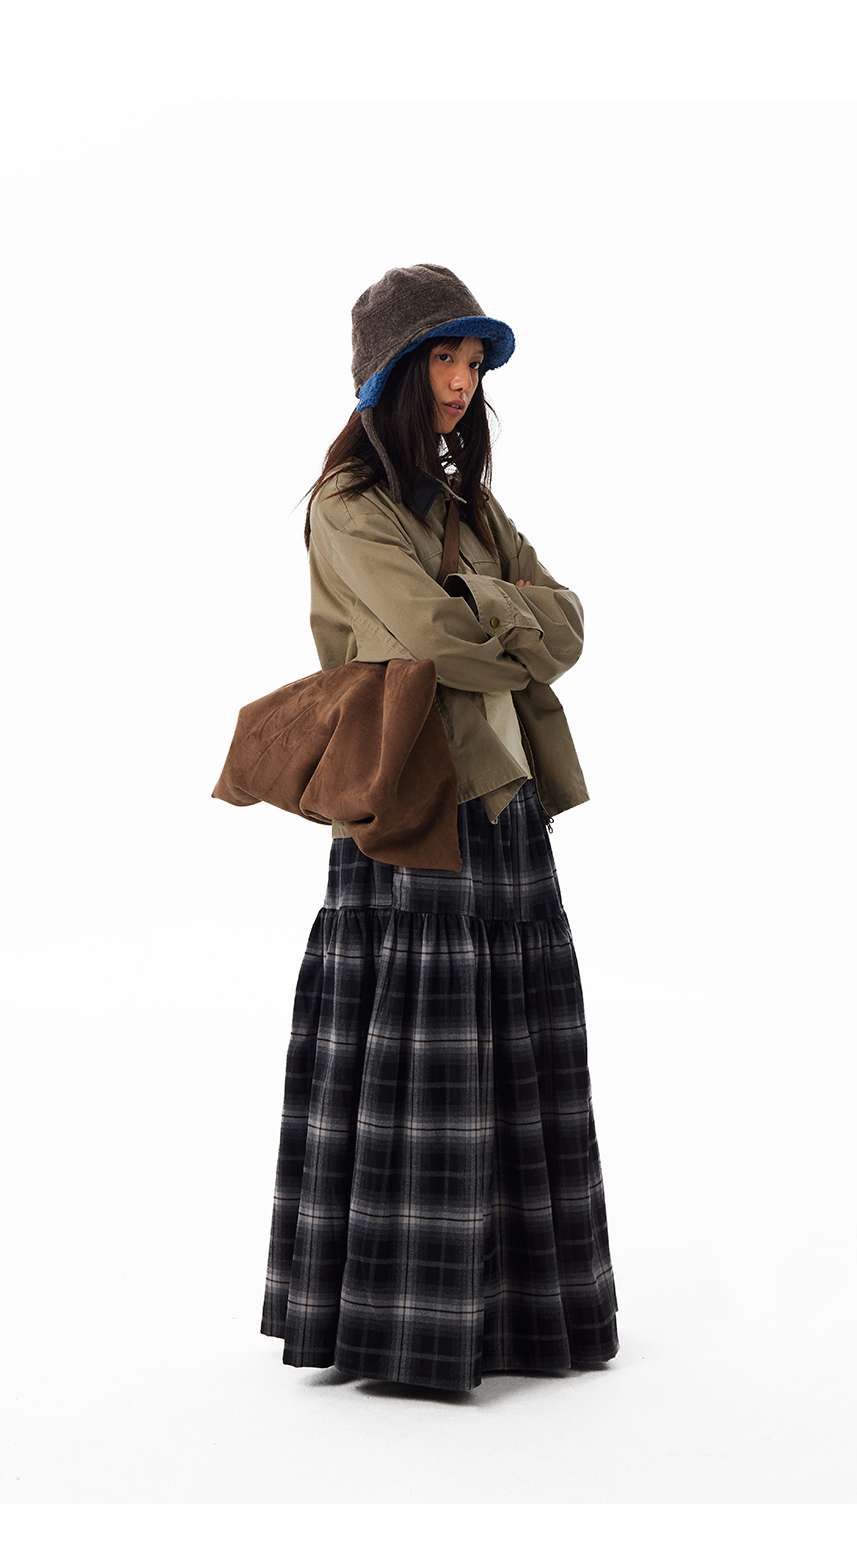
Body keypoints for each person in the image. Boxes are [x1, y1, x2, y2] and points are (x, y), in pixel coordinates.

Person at [259, 263, 619, 1392]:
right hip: (411, 799)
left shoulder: (469, 506)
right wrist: (503, 616)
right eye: (443, 361)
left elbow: (571, 624)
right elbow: (429, 634)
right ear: (390, 375)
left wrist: (491, 610)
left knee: (509, 1048)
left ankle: (516, 1316)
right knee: (420, 1052)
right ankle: (399, 1328)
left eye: (472, 363)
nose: (462, 383)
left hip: (502, 792)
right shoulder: (346, 506)